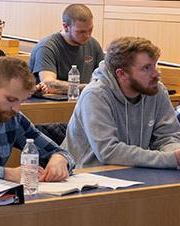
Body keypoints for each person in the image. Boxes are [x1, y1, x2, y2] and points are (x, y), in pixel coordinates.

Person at [62, 37, 180, 169]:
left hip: (135, 171)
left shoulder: (157, 90)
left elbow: (168, 137)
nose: (156, 74)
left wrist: (175, 152)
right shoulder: (95, 95)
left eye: (155, 65)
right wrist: (170, 159)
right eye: (146, 68)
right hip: (90, 176)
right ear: (121, 74)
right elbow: (108, 151)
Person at [29, 4, 105, 94]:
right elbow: (49, 84)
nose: (87, 35)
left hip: (83, 100)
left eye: (90, 30)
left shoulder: (93, 44)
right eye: (81, 32)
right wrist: (88, 88)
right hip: (51, 105)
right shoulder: (47, 47)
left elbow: (104, 78)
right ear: (66, 27)